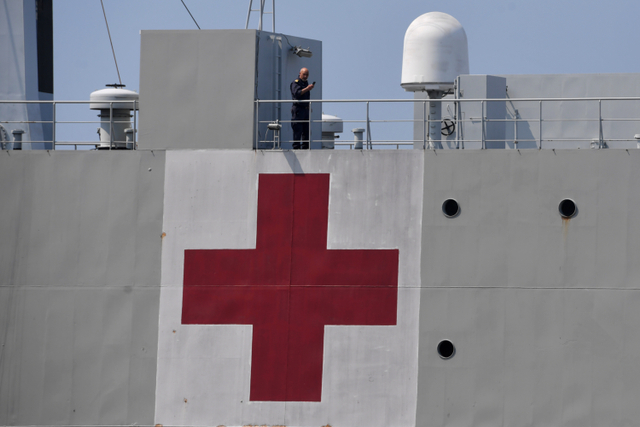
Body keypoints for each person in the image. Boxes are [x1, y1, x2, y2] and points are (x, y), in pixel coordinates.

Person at [290, 68, 315, 149]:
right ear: (299, 73)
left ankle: (305, 147)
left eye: (307, 74)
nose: (305, 76)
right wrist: (307, 88)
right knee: (298, 129)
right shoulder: (296, 82)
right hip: (298, 109)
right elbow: (297, 93)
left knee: (306, 129)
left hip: (305, 109)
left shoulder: (305, 83)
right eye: (304, 74)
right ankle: (296, 147)